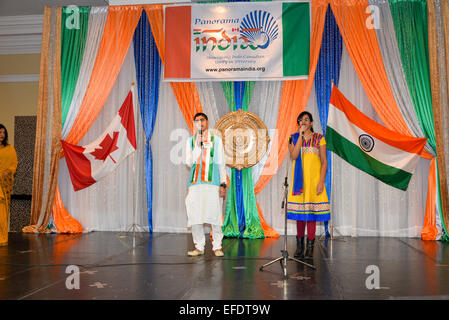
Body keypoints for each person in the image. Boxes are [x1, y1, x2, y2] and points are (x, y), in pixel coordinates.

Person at [287, 112, 330, 260]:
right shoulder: (294, 137)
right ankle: (300, 245)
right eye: (301, 120)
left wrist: (321, 181)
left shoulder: (319, 138)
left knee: (311, 214)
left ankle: (310, 247)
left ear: (311, 123)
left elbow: (324, 162)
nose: (303, 121)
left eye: (306, 119)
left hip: (314, 181)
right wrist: (300, 136)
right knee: (300, 214)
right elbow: (293, 156)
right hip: (299, 181)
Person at [185, 113, 227, 257]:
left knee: (214, 215)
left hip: (213, 183)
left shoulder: (216, 140)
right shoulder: (190, 141)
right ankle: (199, 246)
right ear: (194, 124)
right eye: (197, 121)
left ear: (207, 122)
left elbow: (221, 164)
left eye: (202, 120)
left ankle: (217, 246)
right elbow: (189, 162)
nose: (200, 123)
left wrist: (223, 184)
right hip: (195, 184)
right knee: (195, 216)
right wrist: (197, 146)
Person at [0, 124, 17, 246]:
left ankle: (2, 237)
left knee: (2, 211)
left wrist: (7, 172)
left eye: (3, 132)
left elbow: (13, 164)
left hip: (4, 183)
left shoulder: (10, 148)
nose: (2, 135)